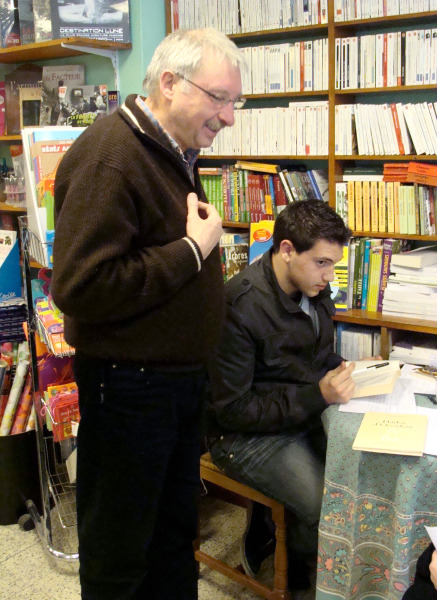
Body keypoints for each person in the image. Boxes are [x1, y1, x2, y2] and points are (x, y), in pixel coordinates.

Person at [51, 28, 245, 600]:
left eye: (236, 101)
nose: (229, 116)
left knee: (169, 538)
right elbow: (83, 286)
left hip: (175, 386)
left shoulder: (171, 148)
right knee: (121, 550)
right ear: (168, 82)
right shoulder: (112, 156)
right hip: (131, 388)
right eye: (219, 98)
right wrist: (191, 251)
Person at [207, 199, 361, 598]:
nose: (330, 275)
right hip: (241, 438)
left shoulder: (313, 288)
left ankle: (278, 543)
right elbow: (233, 410)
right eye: (322, 262)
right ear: (287, 250)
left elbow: (315, 353)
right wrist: (318, 395)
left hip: (298, 414)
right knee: (325, 502)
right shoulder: (238, 306)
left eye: (333, 263)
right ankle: (298, 585)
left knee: (357, 478)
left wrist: (351, 368)